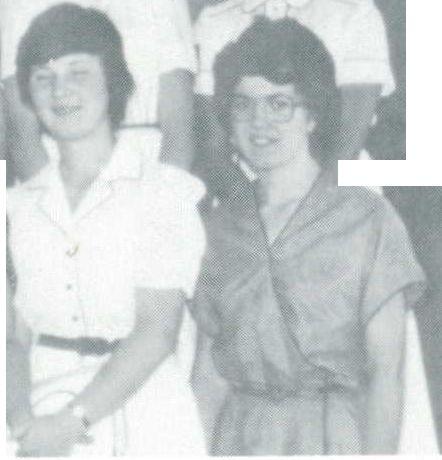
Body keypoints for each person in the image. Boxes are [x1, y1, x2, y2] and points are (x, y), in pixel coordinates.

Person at [190, 18, 426, 455]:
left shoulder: (367, 220)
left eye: (280, 104)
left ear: (313, 115)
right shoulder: (220, 229)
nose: (259, 121)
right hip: (240, 439)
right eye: (242, 105)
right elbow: (208, 377)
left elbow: (386, 373)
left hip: (334, 438)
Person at [6, 4, 206, 455]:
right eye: (43, 78)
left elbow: (156, 331)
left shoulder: (162, 193)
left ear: (112, 81)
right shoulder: (19, 206)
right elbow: (14, 337)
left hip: (142, 406)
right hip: (39, 409)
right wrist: (20, 422)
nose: (60, 91)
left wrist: (71, 421)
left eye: (78, 73)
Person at [192, 0, 394, 194]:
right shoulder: (215, 20)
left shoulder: (354, 13)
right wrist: (250, 208)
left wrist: (312, 208)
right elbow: (214, 145)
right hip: (242, 190)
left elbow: (350, 138)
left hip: (341, 183)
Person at [0, 0, 196, 184]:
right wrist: (55, 204)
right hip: (54, 168)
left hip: (150, 168)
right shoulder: (18, 5)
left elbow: (179, 134)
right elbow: (23, 136)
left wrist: (162, 201)